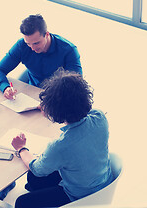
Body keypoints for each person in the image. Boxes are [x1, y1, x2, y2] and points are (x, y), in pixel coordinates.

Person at [10, 69, 112, 208]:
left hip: (80, 195)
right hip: (103, 182)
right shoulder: (100, 117)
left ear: (54, 111)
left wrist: (21, 148)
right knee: (34, 179)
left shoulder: (60, 146)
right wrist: (52, 108)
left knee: (22, 202)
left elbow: (37, 169)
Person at [0, 14, 82, 100]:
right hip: (32, 93)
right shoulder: (21, 45)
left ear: (46, 35)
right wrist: (5, 87)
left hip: (59, 97)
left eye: (36, 43)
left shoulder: (69, 50)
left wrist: (52, 102)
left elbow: (75, 86)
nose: (32, 48)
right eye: (28, 43)